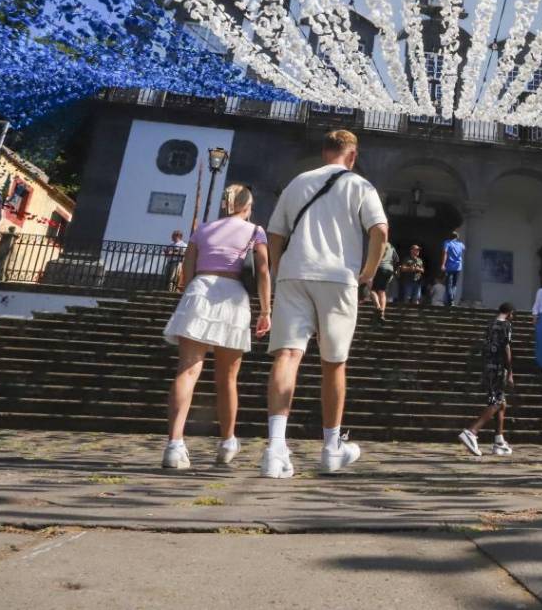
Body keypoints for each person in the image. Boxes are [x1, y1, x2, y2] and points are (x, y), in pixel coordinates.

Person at [263, 130, 388, 478]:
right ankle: (331, 448)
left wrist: (278, 268)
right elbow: (380, 230)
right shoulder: (360, 185)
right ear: (352, 155)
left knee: (287, 355)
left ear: (325, 153)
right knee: (333, 363)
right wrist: (368, 273)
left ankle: (275, 449)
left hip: (294, 274)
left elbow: (275, 234)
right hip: (338, 278)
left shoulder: (298, 181)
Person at [161, 183, 271, 470]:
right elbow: (262, 271)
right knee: (227, 378)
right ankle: (226, 442)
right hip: (233, 296)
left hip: (200, 290)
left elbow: (188, 269)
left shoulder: (203, 229)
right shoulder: (255, 231)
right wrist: (266, 310)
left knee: (187, 370)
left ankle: (174, 445)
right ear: (248, 206)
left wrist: (189, 293)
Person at [459, 303, 516, 456]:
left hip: (488, 366)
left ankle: (499, 441)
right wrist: (510, 371)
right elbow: (506, 348)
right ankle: (472, 431)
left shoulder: (490, 324)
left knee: (500, 402)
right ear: (510, 313)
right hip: (498, 366)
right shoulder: (506, 325)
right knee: (496, 402)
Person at [369, 240, 398, 324]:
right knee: (382, 291)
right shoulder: (391, 245)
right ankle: (382, 313)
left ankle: (378, 307)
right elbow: (396, 259)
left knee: (372, 289)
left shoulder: (376, 242)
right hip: (389, 269)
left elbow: (371, 256)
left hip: (379, 268)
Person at [441, 231, 466, 306]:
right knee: (454, 284)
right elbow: (464, 248)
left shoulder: (447, 243)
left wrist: (443, 264)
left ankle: (450, 299)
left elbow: (445, 253)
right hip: (458, 267)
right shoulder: (461, 244)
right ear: (457, 237)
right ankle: (452, 300)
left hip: (449, 266)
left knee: (448, 284)